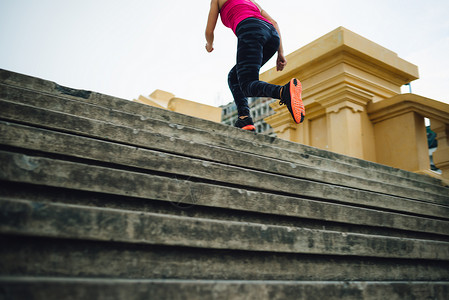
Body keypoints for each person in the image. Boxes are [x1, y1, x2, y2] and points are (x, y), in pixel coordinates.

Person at [205, 0, 305, 131]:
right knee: (234, 76)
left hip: (250, 29)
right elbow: (274, 23)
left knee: (247, 85)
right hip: (272, 36)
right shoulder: (251, 1)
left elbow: (209, 31)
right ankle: (244, 118)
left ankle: (283, 92)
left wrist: (209, 45)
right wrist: (280, 53)